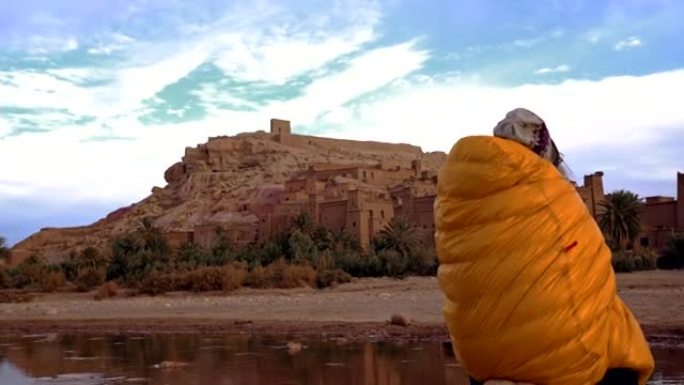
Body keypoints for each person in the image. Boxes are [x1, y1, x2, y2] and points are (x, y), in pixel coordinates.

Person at [434, 108, 654, 385]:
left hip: (479, 358)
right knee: (620, 341)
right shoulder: (549, 191)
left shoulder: (457, 195)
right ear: (544, 151)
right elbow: (591, 264)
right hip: (566, 360)